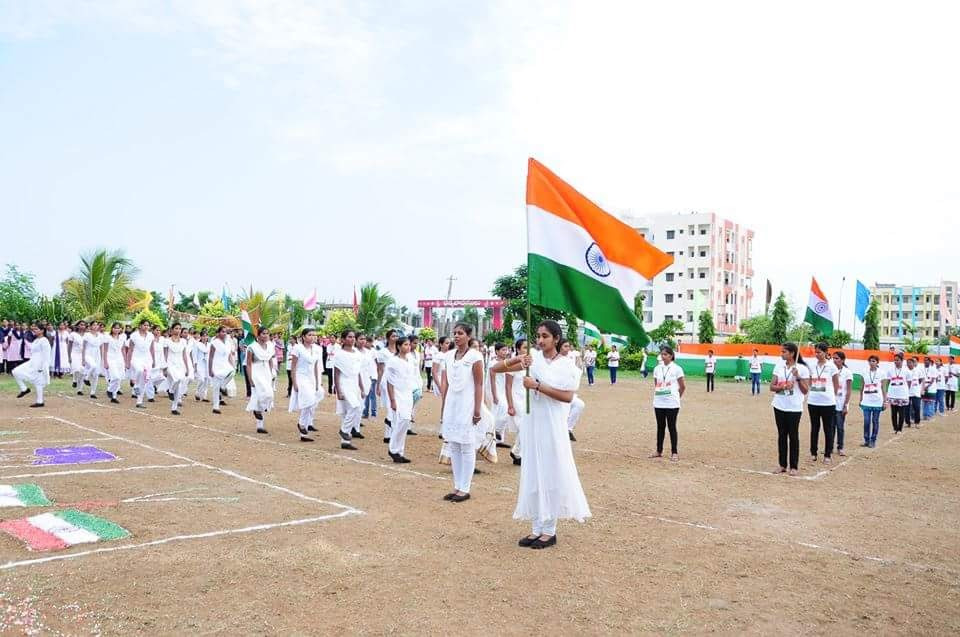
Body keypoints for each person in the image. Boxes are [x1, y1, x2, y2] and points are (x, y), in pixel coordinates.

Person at [491, 320, 591, 549]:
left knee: (551, 473)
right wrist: (518, 359)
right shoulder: (533, 359)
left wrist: (537, 386)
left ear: (556, 339)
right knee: (533, 473)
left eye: (545, 336)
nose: (540, 340)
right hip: (532, 424)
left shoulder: (566, 366)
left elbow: (567, 397)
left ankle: (549, 530)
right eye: (538, 336)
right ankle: (536, 528)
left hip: (552, 426)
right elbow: (496, 369)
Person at [440, 323, 484, 503]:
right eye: (455, 333)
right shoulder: (449, 356)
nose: (457, 336)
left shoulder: (475, 356)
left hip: (468, 404)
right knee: (454, 444)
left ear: (468, 336)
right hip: (452, 404)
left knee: (466, 445)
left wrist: (477, 409)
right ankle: (457, 486)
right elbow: (446, 383)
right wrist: (444, 406)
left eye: (460, 333)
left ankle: (465, 488)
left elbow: (479, 384)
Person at [770, 342, 810, 475]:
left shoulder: (802, 369)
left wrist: (798, 377)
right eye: (781, 351)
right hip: (779, 405)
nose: (781, 354)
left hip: (794, 407)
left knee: (793, 436)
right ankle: (782, 465)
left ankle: (794, 466)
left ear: (792, 353)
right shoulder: (779, 366)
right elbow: (772, 387)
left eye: (784, 352)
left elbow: (805, 390)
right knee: (782, 435)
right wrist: (782, 387)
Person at [386, 336, 418, 463]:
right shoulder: (393, 361)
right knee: (401, 420)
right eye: (405, 344)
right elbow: (389, 382)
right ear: (399, 346)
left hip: (408, 394)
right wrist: (392, 400)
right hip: (397, 394)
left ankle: (399, 452)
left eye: (409, 344)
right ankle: (393, 449)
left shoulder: (410, 359)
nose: (408, 347)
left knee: (406, 422)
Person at [650, 346, 686, 461]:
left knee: (671, 427)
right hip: (659, 402)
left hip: (672, 403)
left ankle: (674, 452)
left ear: (671, 356)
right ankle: (658, 450)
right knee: (660, 427)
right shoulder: (657, 369)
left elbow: (682, 386)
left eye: (665, 354)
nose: (663, 356)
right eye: (662, 354)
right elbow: (656, 384)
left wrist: (676, 397)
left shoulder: (677, 369)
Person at [807, 342, 840, 464]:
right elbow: (810, 382)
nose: (817, 354)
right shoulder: (812, 366)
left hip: (828, 403)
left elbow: (836, 384)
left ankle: (827, 454)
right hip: (813, 401)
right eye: (815, 352)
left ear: (826, 352)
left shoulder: (832, 367)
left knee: (828, 429)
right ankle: (813, 453)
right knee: (814, 428)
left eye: (819, 352)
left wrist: (831, 396)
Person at [289, 328, 322, 442]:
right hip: (301, 377)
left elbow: (316, 368)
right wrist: (294, 383)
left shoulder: (316, 349)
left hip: (311, 377)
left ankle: (304, 431)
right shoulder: (298, 348)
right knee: (309, 400)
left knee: (312, 402)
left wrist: (317, 382)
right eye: (310, 335)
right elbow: (293, 367)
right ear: (303, 337)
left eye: (314, 335)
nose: (313, 337)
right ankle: (302, 424)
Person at [334, 329, 364, 450]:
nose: (352, 339)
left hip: (354, 384)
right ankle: (344, 430)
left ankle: (345, 442)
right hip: (344, 383)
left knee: (351, 411)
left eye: (353, 337)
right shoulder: (339, 354)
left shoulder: (357, 353)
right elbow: (336, 373)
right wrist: (338, 390)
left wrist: (361, 387)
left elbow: (358, 372)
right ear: (343, 339)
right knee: (354, 407)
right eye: (349, 337)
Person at [245, 327, 277, 434]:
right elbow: (248, 364)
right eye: (263, 333)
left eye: (267, 333)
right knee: (260, 395)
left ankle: (258, 415)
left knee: (269, 395)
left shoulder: (270, 346)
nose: (266, 335)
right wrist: (250, 378)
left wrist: (271, 373)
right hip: (256, 372)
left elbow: (270, 360)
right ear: (258, 335)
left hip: (266, 372)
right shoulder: (252, 347)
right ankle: (260, 425)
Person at [14, 324, 50, 408]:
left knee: (38, 382)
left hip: (40, 363)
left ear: (42, 331)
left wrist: (42, 366)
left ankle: (40, 402)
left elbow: (46, 354)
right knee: (15, 371)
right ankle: (24, 389)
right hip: (32, 362)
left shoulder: (44, 340)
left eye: (37, 329)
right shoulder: (36, 340)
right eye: (34, 329)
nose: (34, 330)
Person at [505, 338, 528, 465]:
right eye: (524, 347)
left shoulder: (530, 363)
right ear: (518, 349)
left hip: (527, 398)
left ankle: (517, 451)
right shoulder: (512, 364)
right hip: (516, 399)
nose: (527, 350)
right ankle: (518, 452)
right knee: (523, 426)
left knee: (526, 426)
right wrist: (510, 405)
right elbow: (508, 386)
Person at [125, 320, 156, 409]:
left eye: (148, 325)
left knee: (144, 380)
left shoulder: (151, 336)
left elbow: (152, 349)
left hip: (147, 359)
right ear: (140, 325)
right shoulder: (134, 335)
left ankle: (139, 401)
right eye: (144, 325)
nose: (146, 327)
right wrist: (127, 362)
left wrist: (154, 360)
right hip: (136, 358)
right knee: (139, 370)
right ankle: (134, 383)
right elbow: (130, 349)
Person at [559, 340, 585, 442]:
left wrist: (579, 367)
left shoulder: (569, 360)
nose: (568, 349)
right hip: (556, 394)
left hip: (567, 394)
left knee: (579, 404)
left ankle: (568, 429)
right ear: (559, 347)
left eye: (568, 346)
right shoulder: (555, 360)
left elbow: (575, 377)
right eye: (565, 346)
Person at [377, 330, 399, 443]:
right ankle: (389, 431)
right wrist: (378, 385)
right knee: (391, 405)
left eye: (396, 336)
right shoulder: (383, 352)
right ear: (388, 338)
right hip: (386, 380)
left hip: (398, 381)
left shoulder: (399, 351)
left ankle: (389, 434)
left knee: (395, 406)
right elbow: (380, 369)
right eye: (393, 336)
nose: (395, 338)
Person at [208, 326, 235, 415]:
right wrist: (210, 369)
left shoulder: (228, 343)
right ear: (218, 333)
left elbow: (229, 355)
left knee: (232, 372)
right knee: (216, 387)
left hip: (225, 365)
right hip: (216, 365)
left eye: (225, 332)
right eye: (222, 331)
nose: (224, 333)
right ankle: (216, 407)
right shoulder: (214, 343)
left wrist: (232, 364)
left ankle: (223, 386)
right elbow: (210, 357)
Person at [490, 342, 512, 448]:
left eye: (506, 350)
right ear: (497, 351)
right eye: (503, 350)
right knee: (498, 413)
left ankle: (499, 439)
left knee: (504, 414)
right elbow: (492, 380)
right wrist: (494, 395)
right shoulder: (493, 363)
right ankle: (493, 433)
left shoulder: (507, 362)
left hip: (504, 391)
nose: (505, 352)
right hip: (497, 391)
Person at [164, 323, 190, 415]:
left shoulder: (183, 341)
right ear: (172, 329)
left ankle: (174, 408)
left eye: (179, 328)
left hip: (180, 364)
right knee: (176, 379)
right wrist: (164, 367)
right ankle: (170, 390)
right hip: (170, 364)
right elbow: (165, 354)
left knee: (179, 385)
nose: (178, 330)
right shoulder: (167, 341)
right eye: (176, 328)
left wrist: (187, 367)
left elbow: (184, 355)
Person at [860, 355, 885, 447]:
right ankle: (866, 440)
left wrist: (885, 401)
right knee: (866, 421)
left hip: (877, 401)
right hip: (866, 400)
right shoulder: (864, 372)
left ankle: (873, 440)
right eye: (870, 361)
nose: (872, 363)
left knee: (875, 421)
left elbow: (883, 388)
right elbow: (862, 386)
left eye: (874, 361)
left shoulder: (882, 373)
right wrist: (860, 398)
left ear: (877, 362)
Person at [831, 351, 853, 456]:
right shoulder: (830, 370)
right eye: (833, 358)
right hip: (830, 403)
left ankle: (840, 447)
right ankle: (829, 447)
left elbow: (848, 390)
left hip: (841, 404)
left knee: (840, 427)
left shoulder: (847, 372)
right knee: (830, 427)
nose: (834, 360)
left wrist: (845, 405)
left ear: (843, 360)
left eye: (837, 358)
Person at [885, 353, 911, 435]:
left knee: (901, 413)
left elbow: (909, 383)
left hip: (902, 395)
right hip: (892, 394)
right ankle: (895, 428)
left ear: (902, 360)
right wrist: (887, 392)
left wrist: (905, 390)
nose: (896, 362)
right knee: (893, 413)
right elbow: (888, 382)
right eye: (895, 360)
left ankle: (899, 429)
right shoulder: (890, 371)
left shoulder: (906, 371)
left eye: (898, 360)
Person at [101, 322, 127, 404]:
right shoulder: (107, 337)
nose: (116, 329)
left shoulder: (123, 337)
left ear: (121, 329)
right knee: (115, 377)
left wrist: (125, 361)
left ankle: (114, 396)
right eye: (115, 328)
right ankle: (109, 390)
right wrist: (105, 362)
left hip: (119, 359)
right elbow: (105, 350)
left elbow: (123, 349)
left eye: (118, 328)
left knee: (119, 379)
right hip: (110, 358)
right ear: (112, 328)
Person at [82, 321, 105, 399]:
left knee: (96, 375)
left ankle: (93, 392)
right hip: (88, 353)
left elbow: (101, 347)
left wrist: (102, 358)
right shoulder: (87, 335)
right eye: (94, 325)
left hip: (97, 355)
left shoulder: (101, 336)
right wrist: (83, 358)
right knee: (93, 366)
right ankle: (86, 378)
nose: (95, 326)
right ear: (90, 326)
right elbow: (84, 347)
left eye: (97, 325)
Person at [360, 334, 378, 420]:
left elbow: (377, 362)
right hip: (365, 375)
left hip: (373, 375)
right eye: (368, 342)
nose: (369, 344)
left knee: (372, 395)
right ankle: (365, 412)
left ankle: (373, 412)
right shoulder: (362, 351)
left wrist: (376, 374)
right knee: (366, 394)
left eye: (370, 342)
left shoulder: (373, 351)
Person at [67, 320, 87, 393]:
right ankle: (74, 380)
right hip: (74, 353)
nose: (82, 326)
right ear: (78, 325)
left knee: (82, 371)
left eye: (84, 325)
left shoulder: (87, 335)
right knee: (77, 369)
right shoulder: (73, 334)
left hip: (83, 354)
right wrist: (69, 356)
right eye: (81, 324)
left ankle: (80, 389)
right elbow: (69, 346)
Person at [193, 331, 211, 402]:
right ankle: (197, 392)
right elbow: (194, 355)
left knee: (206, 380)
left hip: (207, 364)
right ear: (200, 337)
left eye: (206, 336)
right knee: (201, 379)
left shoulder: (209, 345)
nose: (205, 337)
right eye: (203, 336)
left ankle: (204, 396)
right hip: (200, 364)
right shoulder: (197, 344)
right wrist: (195, 365)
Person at [906, 357, 922, 426]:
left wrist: (916, 386)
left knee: (917, 407)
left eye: (910, 363)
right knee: (907, 408)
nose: (908, 364)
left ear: (913, 363)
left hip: (916, 392)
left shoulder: (918, 371)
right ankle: (908, 422)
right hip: (907, 393)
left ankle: (917, 422)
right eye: (907, 363)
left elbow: (920, 380)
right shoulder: (905, 371)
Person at [284, 334, 297, 398]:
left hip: (295, 366)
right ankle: (289, 393)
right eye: (290, 339)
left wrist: (292, 358)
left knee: (294, 379)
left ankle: (294, 392)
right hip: (289, 365)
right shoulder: (288, 346)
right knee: (290, 379)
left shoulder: (298, 347)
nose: (290, 340)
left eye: (291, 339)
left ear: (295, 340)